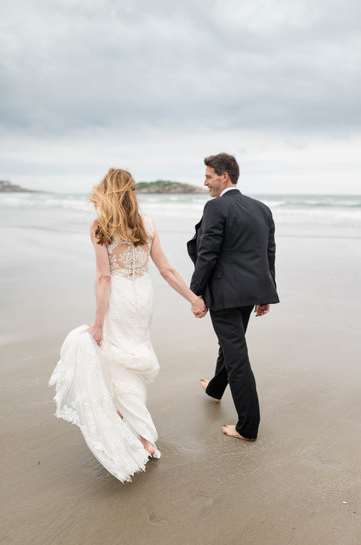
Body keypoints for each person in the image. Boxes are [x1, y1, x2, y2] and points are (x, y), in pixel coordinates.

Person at [49, 168, 205, 482]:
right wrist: (193, 298)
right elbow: (167, 270)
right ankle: (131, 423)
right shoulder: (147, 225)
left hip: (118, 298)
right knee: (131, 357)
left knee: (115, 358)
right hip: (142, 297)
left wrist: (97, 323)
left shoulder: (100, 227)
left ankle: (144, 437)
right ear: (131, 192)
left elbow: (104, 277)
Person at [187, 153, 279, 441]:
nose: (205, 182)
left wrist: (195, 294)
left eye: (208, 176)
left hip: (225, 293)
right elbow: (268, 255)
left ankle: (247, 426)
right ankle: (215, 389)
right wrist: (265, 292)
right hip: (250, 292)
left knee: (237, 356)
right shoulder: (262, 209)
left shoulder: (216, 207)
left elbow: (207, 253)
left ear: (224, 176)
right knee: (231, 345)